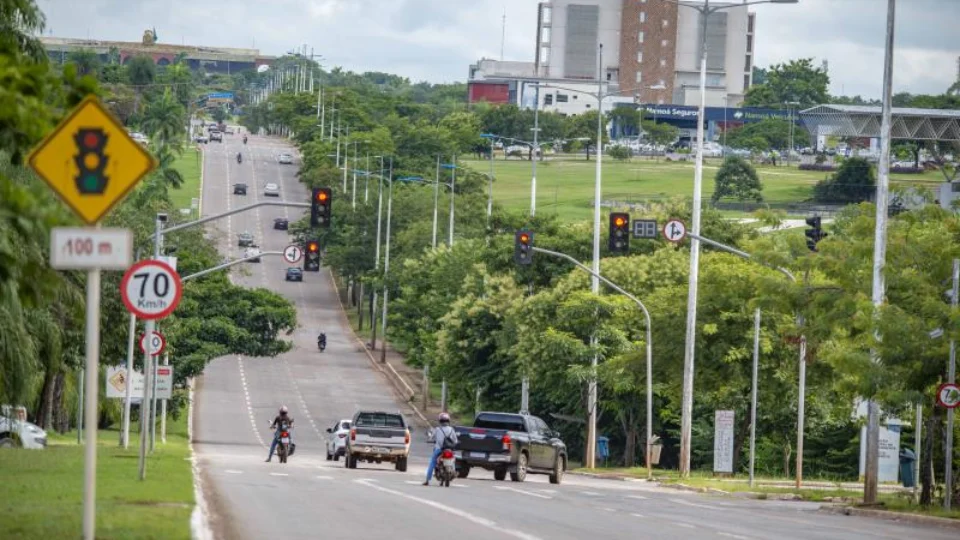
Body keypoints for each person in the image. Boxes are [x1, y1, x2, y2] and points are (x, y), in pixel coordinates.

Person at [424, 412, 458, 485]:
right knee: (453, 460)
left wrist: (430, 439)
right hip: (449, 449)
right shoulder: (452, 429)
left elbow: (431, 437)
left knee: (432, 462)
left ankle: (427, 480)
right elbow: (455, 440)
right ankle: (454, 472)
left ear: (440, 421)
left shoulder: (437, 429)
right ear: (448, 421)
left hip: (439, 449)